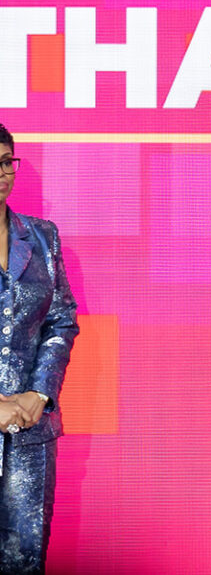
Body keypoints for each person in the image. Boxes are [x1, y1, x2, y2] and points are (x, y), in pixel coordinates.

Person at [0, 124, 79, 574]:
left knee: (24, 561)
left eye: (6, 162)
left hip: (31, 432)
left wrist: (39, 393)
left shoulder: (43, 238)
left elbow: (61, 320)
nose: (1, 174)